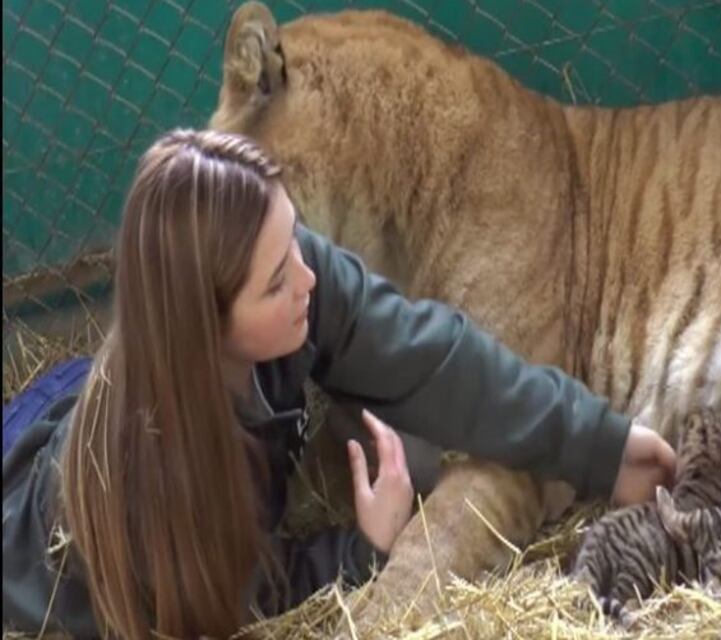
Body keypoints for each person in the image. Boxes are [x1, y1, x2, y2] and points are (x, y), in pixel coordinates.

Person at [2, 129, 676, 639]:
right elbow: (251, 599)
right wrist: (363, 550)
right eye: (275, 283)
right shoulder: (151, 494)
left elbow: (433, 360)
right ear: (206, 328)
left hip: (87, 390)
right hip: (29, 533)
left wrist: (601, 444)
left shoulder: (284, 271)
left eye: (295, 240)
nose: (309, 278)